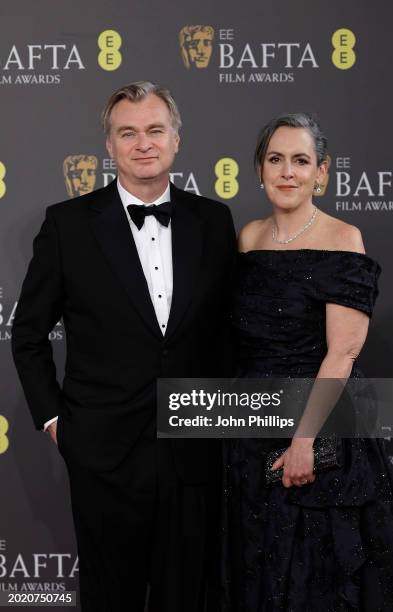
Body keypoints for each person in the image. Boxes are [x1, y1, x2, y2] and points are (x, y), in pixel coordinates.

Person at [12, 81, 236, 612]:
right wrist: (54, 421)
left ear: (177, 139)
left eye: (155, 130)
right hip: (102, 451)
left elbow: (230, 331)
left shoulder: (214, 220)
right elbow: (27, 335)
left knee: (187, 597)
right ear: (108, 146)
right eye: (127, 132)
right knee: (110, 598)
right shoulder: (67, 225)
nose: (143, 143)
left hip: (194, 445)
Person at [222, 113, 393, 610]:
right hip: (250, 430)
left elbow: (342, 352)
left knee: (314, 575)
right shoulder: (248, 238)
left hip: (318, 427)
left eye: (300, 161)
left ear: (321, 172)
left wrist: (305, 441)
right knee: (257, 571)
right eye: (275, 160)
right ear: (259, 170)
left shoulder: (343, 239)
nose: (287, 172)